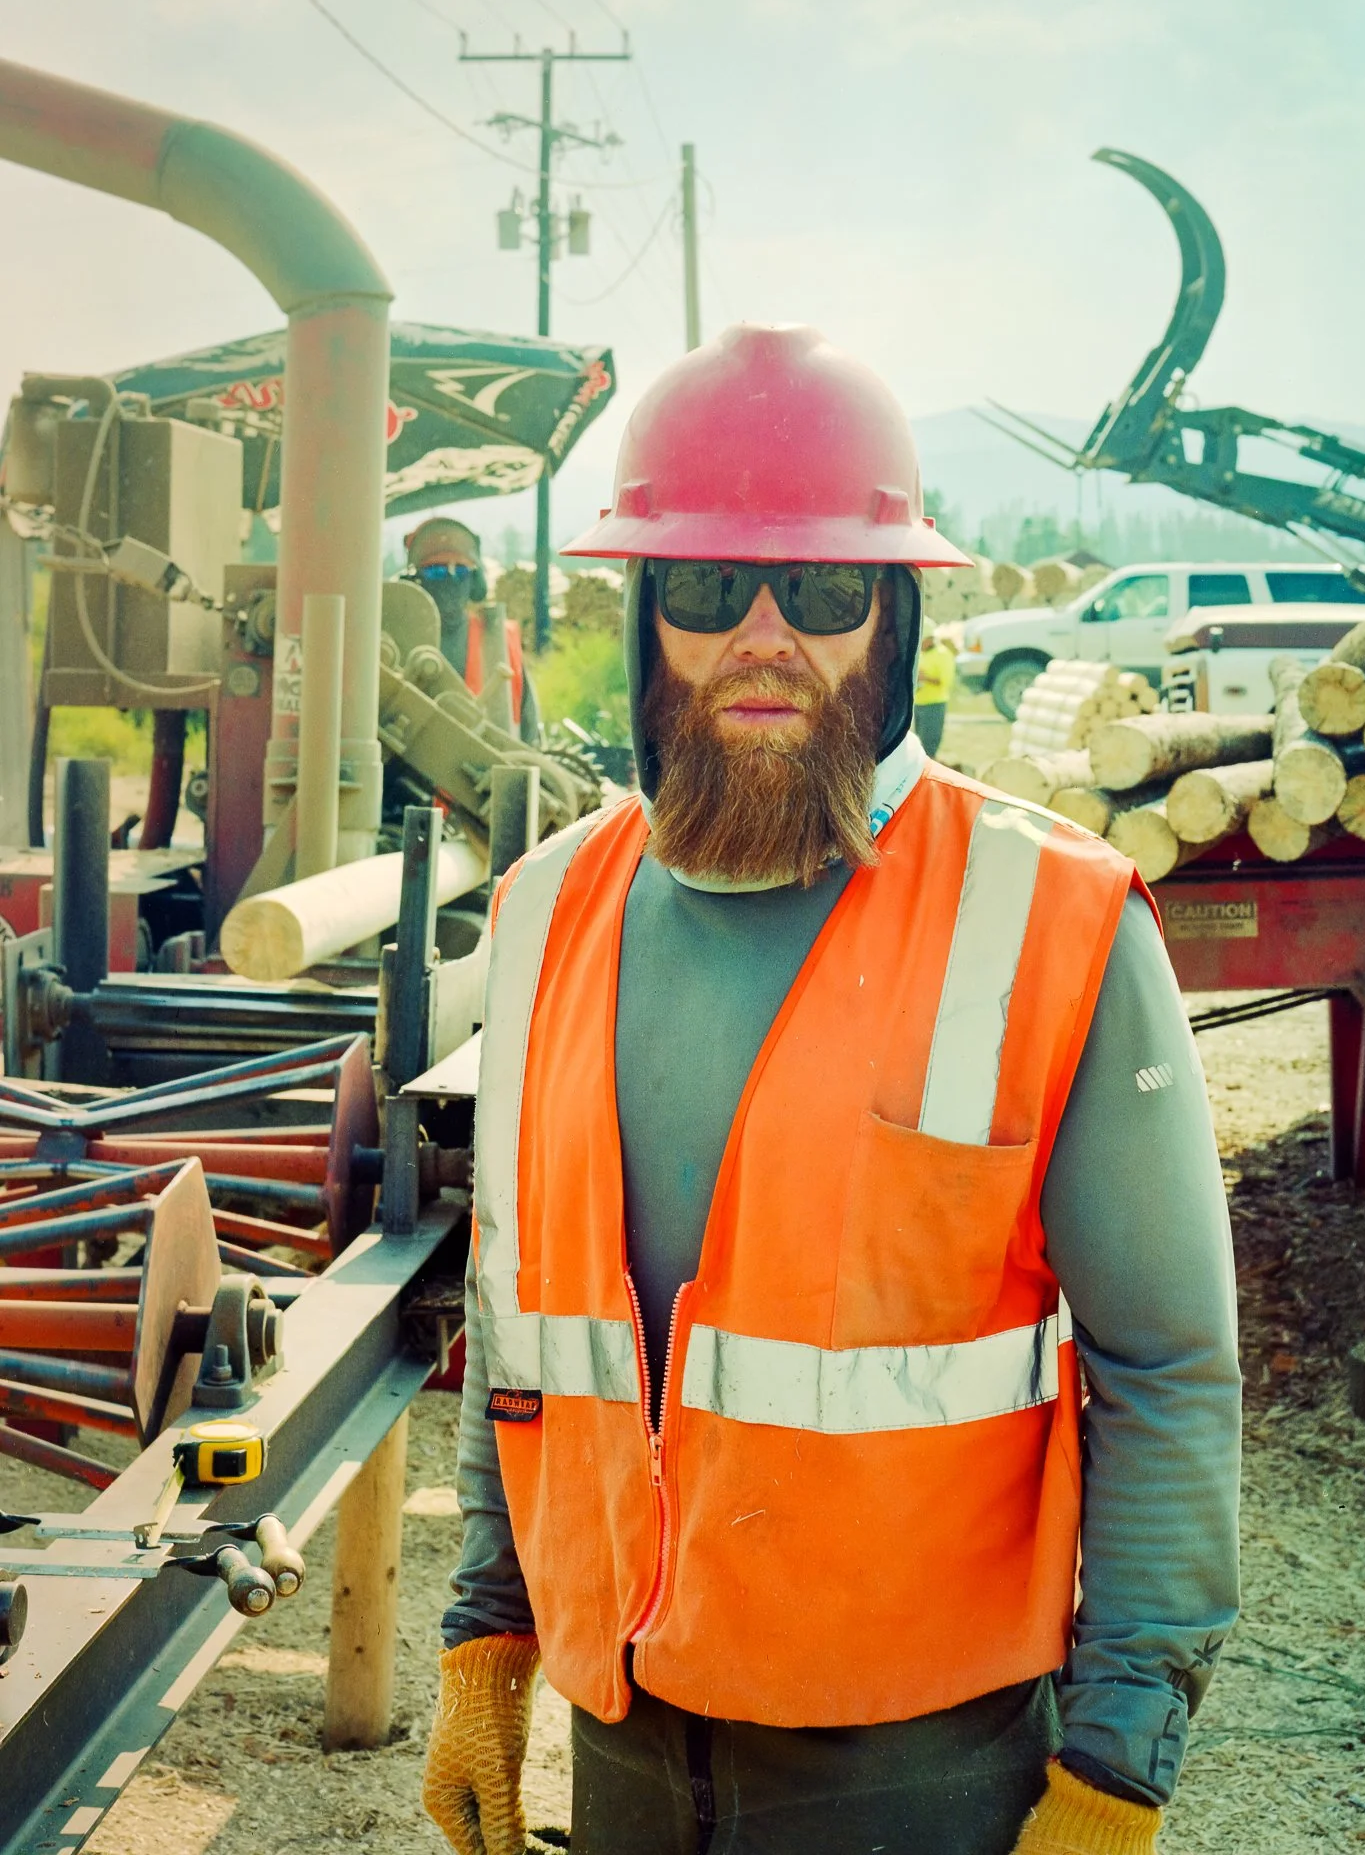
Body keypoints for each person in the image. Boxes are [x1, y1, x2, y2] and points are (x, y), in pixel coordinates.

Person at [422, 323, 1240, 1855]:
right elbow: (522, 1311)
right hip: (630, 1750)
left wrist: (1120, 1762)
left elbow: (1170, 1372)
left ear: (897, 618)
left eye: (822, 591)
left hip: (918, 1769)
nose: (764, 637)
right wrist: (486, 1634)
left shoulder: (1052, 922)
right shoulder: (547, 915)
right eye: (712, 591)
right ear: (649, 610)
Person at [401, 515, 534, 738]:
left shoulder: (500, 642)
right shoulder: (400, 639)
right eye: (437, 571)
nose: (451, 579)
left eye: (461, 571)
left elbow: (530, 734)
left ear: (475, 582)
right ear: (415, 581)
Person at [912, 614, 956, 756]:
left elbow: (945, 682)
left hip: (934, 706)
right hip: (919, 704)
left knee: (929, 747)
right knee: (919, 746)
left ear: (929, 639)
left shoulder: (943, 654)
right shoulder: (921, 654)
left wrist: (925, 678)